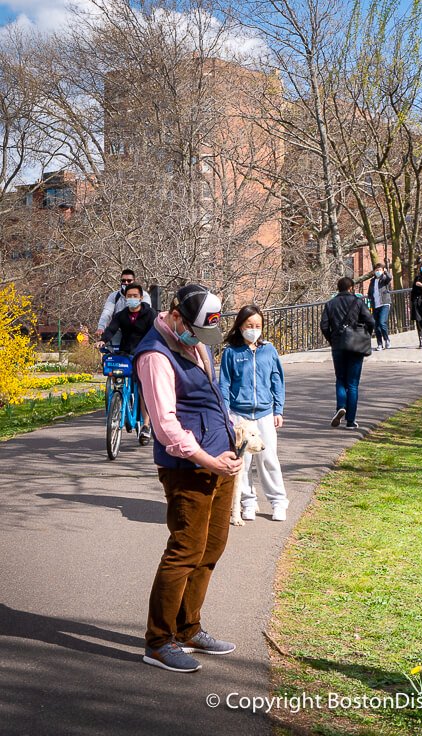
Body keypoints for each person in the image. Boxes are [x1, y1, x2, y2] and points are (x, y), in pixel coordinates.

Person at [134, 284, 242, 673]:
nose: (201, 342)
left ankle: (188, 628)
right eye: (196, 333)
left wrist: (232, 430)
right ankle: (159, 641)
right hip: (188, 469)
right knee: (184, 552)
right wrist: (207, 460)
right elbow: (165, 426)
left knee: (212, 548)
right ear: (177, 316)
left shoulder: (199, 340)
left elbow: (213, 395)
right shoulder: (154, 355)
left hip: (222, 461)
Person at [219, 305, 289, 522]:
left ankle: (278, 502)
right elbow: (224, 385)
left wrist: (278, 409)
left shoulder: (269, 350)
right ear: (240, 326)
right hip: (240, 415)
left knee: (268, 459)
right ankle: (248, 502)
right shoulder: (231, 352)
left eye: (258, 326)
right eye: (249, 325)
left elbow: (277, 380)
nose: (254, 329)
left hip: (265, 414)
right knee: (244, 462)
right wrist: (226, 413)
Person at [96, 283, 156, 439]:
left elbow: (156, 333)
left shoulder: (150, 314)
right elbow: (111, 329)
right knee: (118, 376)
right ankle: (120, 402)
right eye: (129, 296)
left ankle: (146, 425)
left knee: (143, 389)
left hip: (144, 353)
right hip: (126, 353)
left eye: (135, 296)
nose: (132, 299)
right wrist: (103, 340)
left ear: (141, 298)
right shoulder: (122, 315)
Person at [320, 277, 374, 429]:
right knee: (353, 383)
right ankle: (351, 421)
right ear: (351, 288)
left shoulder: (330, 304)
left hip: (338, 345)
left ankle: (341, 407)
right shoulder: (358, 302)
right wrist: (365, 335)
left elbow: (324, 325)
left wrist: (332, 339)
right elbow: (371, 321)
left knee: (340, 379)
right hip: (356, 345)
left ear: (338, 288)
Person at [96, 268, 152, 337]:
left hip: (138, 332)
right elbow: (107, 312)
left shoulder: (144, 295)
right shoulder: (114, 296)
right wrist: (101, 327)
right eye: (123, 280)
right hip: (118, 331)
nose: (126, 283)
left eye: (129, 281)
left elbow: (146, 312)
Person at [367, 263, 393, 351]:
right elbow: (370, 293)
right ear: (374, 271)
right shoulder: (372, 281)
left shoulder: (384, 279)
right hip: (375, 305)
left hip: (384, 303)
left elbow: (389, 278)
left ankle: (386, 339)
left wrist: (386, 272)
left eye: (380, 270)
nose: (378, 272)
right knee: (376, 325)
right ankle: (379, 344)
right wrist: (370, 300)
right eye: (376, 270)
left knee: (382, 323)